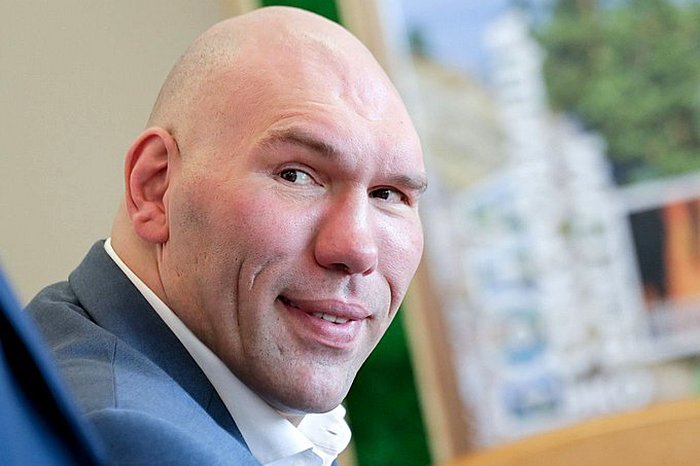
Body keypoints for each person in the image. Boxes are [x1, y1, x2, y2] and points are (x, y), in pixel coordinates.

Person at [27, 6, 426, 465]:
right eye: (296, 175)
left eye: (388, 195)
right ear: (155, 188)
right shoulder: (131, 440)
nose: (357, 249)